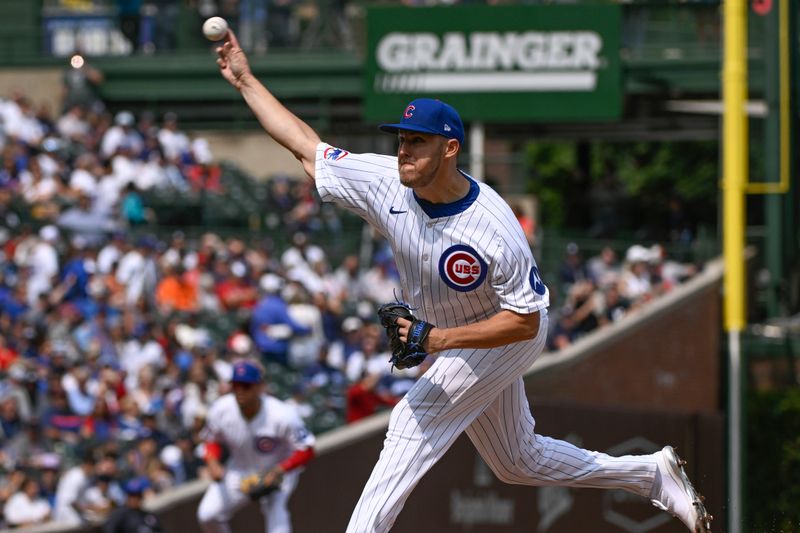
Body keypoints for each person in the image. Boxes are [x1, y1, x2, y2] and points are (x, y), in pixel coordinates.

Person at [213, 30, 712, 533]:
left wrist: (439, 340)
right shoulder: (386, 180)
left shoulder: (494, 226)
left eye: (418, 142)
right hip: (455, 335)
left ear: (450, 148)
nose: (404, 151)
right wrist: (246, 81)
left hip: (507, 330)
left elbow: (524, 321)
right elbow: (305, 146)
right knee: (518, 461)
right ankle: (648, 475)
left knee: (412, 422)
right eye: (402, 139)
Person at [196, 359, 316, 533]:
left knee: (278, 526)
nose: (240, 391)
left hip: (277, 471)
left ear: (259, 386)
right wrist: (213, 463)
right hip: (239, 470)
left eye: (246, 386)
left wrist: (281, 469)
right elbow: (211, 440)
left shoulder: (281, 414)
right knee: (207, 515)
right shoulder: (221, 409)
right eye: (235, 385)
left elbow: (308, 448)